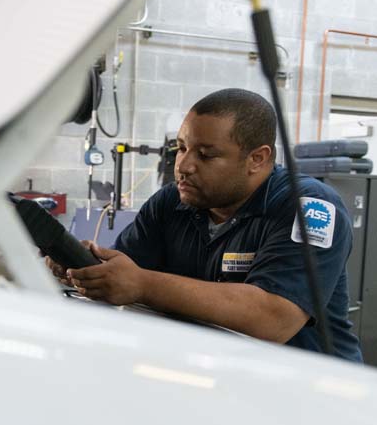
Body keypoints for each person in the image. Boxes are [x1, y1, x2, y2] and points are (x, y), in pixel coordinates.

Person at [49, 88, 362, 361]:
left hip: (311, 393)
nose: (183, 166)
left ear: (257, 159)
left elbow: (274, 317)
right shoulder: (171, 203)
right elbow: (125, 274)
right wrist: (86, 270)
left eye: (206, 155)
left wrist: (142, 283)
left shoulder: (308, 206)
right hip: (220, 377)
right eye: (182, 148)